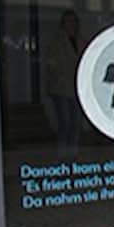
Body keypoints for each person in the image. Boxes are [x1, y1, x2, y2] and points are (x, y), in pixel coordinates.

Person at [45, 10, 81, 157]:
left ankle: (72, 154)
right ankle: (62, 155)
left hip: (77, 89)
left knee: (76, 123)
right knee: (65, 123)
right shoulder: (56, 43)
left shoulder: (80, 41)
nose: (72, 24)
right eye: (69, 21)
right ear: (63, 24)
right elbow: (52, 65)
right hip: (61, 89)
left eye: (74, 21)